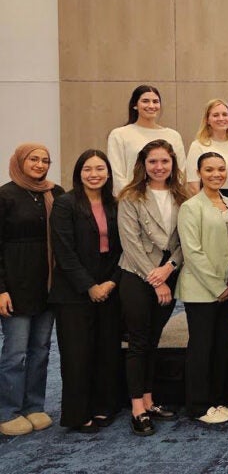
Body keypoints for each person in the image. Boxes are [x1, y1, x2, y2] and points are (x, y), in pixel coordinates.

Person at [117, 139, 188, 436]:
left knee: (154, 340)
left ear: (172, 164)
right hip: (136, 276)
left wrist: (168, 269)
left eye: (165, 161)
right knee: (138, 341)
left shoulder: (182, 196)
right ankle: (137, 408)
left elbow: (185, 240)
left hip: (168, 272)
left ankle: (149, 399)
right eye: (153, 162)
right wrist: (154, 277)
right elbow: (130, 243)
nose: (159, 167)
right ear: (143, 166)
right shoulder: (131, 197)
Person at [49, 150, 122, 433]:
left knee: (106, 350)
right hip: (73, 291)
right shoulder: (65, 204)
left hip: (109, 285)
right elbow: (63, 252)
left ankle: (105, 406)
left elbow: (122, 248)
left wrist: (110, 283)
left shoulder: (114, 204)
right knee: (77, 354)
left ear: (108, 173)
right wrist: (89, 286)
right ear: (79, 172)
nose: (95, 174)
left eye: (100, 168)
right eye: (88, 169)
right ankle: (78, 414)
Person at [0, 144, 63, 437]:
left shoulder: (55, 193)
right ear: (20, 161)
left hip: (47, 286)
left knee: (40, 350)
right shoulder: (5, 195)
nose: (40, 164)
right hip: (15, 286)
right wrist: (1, 289)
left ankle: (34, 406)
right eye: (33, 159)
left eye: (45, 160)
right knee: (15, 353)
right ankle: (8, 411)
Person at [177, 152, 228, 424]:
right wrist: (216, 286)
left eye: (221, 169)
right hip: (202, 289)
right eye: (209, 169)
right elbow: (192, 252)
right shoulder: (191, 207)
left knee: (222, 346)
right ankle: (198, 406)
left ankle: (216, 400)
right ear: (199, 173)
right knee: (201, 347)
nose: (216, 174)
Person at [107, 84, 186, 194]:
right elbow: (116, 174)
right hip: (131, 199)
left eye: (155, 101)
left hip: (167, 198)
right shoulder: (119, 134)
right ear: (135, 105)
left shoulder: (173, 135)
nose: (151, 105)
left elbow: (180, 172)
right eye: (145, 101)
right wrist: (131, 198)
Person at [186, 99, 228, 197]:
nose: (221, 118)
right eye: (215, 115)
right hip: (208, 200)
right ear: (207, 120)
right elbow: (194, 186)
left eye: (225, 114)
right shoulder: (197, 146)